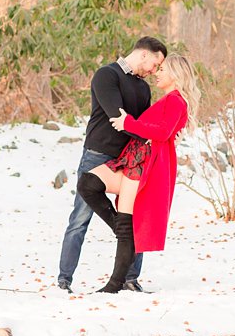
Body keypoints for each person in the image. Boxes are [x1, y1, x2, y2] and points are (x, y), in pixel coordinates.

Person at [56, 36, 167, 292]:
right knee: (80, 218)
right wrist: (144, 130)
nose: (154, 70)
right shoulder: (107, 75)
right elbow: (118, 116)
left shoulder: (144, 88)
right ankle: (64, 279)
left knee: (135, 218)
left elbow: (145, 124)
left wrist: (153, 132)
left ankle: (130, 278)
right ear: (143, 54)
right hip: (98, 154)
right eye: (155, 63)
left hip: (129, 160)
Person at [82, 54, 200, 293]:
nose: (157, 72)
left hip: (143, 164)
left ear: (176, 75)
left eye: (163, 70)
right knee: (88, 183)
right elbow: (161, 131)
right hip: (133, 159)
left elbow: (163, 131)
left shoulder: (177, 101)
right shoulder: (170, 100)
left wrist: (128, 123)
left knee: (125, 220)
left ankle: (114, 285)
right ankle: (122, 231)